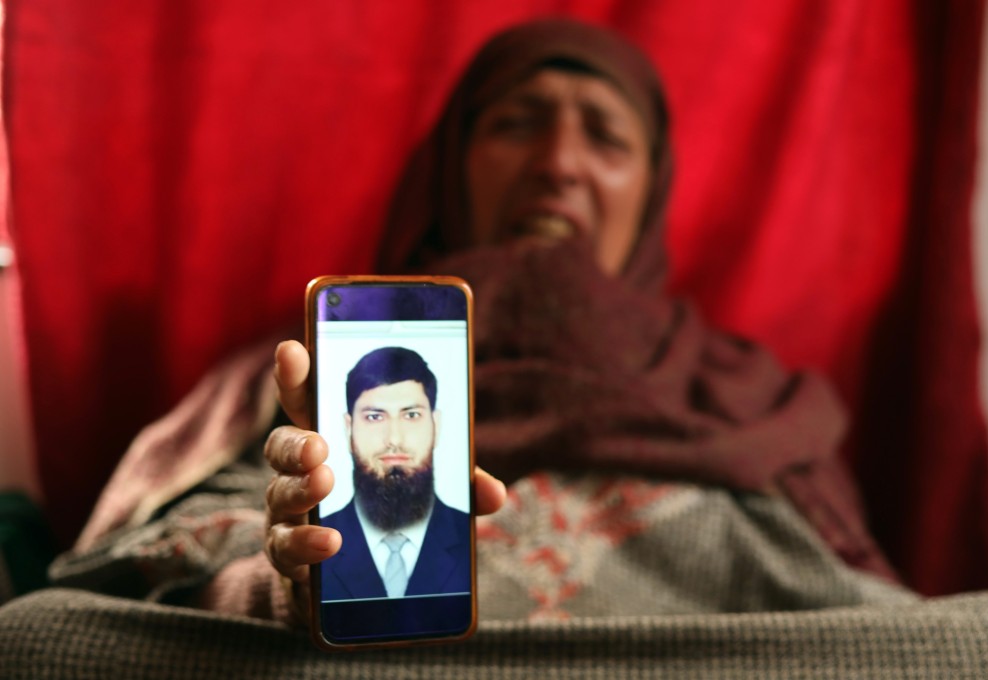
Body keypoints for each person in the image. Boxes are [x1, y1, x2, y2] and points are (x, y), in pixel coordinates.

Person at [49, 18, 901, 627]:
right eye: (516, 125)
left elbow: (868, 618)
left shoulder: (752, 397)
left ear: (651, 196)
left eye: (604, 137)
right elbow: (108, 595)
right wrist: (272, 590)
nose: (558, 164)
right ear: (449, 174)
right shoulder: (298, 368)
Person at [318, 346, 470, 600]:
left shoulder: (476, 538)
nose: (394, 439)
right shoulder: (317, 542)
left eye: (411, 415)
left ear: (437, 426)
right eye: (375, 417)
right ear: (349, 429)